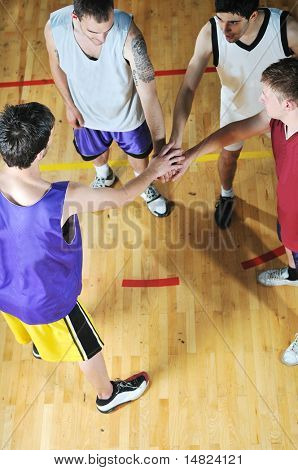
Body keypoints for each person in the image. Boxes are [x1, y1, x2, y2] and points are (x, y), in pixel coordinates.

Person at [0, 102, 183, 412]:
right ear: (42, 152)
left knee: (28, 324)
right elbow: (123, 196)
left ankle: (41, 346)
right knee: (87, 346)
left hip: (6, 292)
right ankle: (107, 395)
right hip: (48, 301)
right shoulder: (62, 197)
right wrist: (153, 169)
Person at [166, 57, 298, 365]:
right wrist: (190, 156)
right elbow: (237, 131)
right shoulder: (278, 119)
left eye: (267, 95)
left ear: (289, 104)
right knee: (290, 248)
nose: (261, 98)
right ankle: (294, 273)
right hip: (289, 219)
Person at [169, 0, 298, 228]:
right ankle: (226, 194)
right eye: (220, 19)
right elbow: (188, 87)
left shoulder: (287, 29)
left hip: (279, 114)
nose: (224, 29)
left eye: (233, 23)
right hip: (236, 109)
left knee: (285, 167)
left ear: (254, 16)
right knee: (228, 159)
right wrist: (176, 140)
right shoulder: (211, 33)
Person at [44, 0, 170, 217]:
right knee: (95, 154)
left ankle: (144, 183)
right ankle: (105, 175)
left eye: (107, 29)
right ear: (76, 17)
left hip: (127, 117)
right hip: (86, 116)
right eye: (94, 32)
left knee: (140, 157)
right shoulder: (55, 29)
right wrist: (69, 104)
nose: (103, 38)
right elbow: (56, 66)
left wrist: (160, 148)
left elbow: (149, 96)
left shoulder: (129, 35)